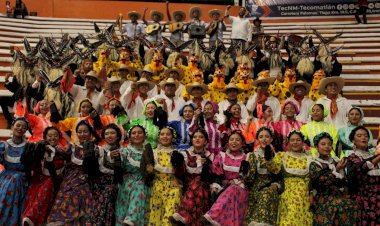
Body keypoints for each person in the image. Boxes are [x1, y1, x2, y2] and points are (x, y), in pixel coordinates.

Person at [47, 120, 97, 224]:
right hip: (71, 177)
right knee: (67, 194)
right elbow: (61, 154)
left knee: (85, 194)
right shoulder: (72, 147)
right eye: (79, 132)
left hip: (89, 178)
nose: (82, 134)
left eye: (85, 131)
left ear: (90, 133)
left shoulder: (97, 149)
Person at [309, 132, 360, 226]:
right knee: (341, 205)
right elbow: (322, 182)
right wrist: (336, 169)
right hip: (323, 196)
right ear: (317, 147)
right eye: (323, 144)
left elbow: (343, 182)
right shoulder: (314, 163)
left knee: (353, 204)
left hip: (338, 195)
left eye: (329, 144)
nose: (327, 147)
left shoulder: (336, 160)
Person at [265, 130, 313, 225]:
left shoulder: (309, 158)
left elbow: (310, 178)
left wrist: (310, 193)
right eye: (292, 140)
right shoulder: (283, 156)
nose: (295, 142)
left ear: (303, 142)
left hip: (303, 190)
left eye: (298, 140)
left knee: (299, 199)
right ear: (288, 142)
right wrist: (269, 158)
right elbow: (274, 168)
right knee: (291, 204)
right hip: (286, 188)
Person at [22, 127, 67, 225]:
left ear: (59, 137)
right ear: (45, 137)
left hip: (57, 182)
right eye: (50, 136)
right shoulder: (40, 148)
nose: (53, 138)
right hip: (40, 180)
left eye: (55, 135)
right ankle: (30, 218)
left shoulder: (63, 150)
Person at [203, 130, 250, 226]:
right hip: (224, 187)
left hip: (241, 189)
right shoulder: (222, 156)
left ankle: (212, 216)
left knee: (234, 188)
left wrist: (236, 181)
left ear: (242, 143)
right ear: (228, 142)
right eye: (231, 139)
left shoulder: (246, 158)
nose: (234, 142)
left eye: (237, 140)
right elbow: (217, 174)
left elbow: (247, 177)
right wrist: (218, 184)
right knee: (230, 190)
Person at [170, 128, 214, 225]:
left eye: (201, 137)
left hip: (204, 186)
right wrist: (178, 163)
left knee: (199, 181)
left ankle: (183, 215)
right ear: (192, 140)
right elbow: (180, 174)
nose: (197, 139)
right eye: (195, 137)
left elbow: (213, 176)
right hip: (187, 185)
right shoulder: (185, 153)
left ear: (206, 141)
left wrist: (206, 166)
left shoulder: (211, 156)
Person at [143, 126, 183, 225]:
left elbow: (181, 171)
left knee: (170, 213)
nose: (165, 136)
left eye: (168, 134)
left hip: (173, 186)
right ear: (159, 136)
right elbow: (147, 171)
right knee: (156, 214)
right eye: (162, 134)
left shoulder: (177, 153)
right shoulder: (153, 152)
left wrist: (177, 178)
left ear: (173, 137)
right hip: (157, 186)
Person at [245, 126, 283, 226]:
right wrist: (245, 171)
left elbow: (280, 176)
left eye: (267, 136)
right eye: (261, 137)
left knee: (269, 194)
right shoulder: (253, 155)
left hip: (272, 188)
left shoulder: (277, 156)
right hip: (257, 187)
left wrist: (276, 185)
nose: (264, 139)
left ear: (271, 139)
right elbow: (250, 179)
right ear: (257, 139)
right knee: (264, 194)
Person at [86, 124, 122, 225]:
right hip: (101, 183)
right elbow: (94, 166)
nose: (109, 136)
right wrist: (109, 155)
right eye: (106, 134)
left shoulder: (124, 150)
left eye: (112, 133)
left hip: (118, 182)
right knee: (108, 193)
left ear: (118, 136)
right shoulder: (98, 149)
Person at [115, 125, 150, 225]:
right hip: (127, 183)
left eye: (139, 133)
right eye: (134, 133)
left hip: (143, 182)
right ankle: (129, 219)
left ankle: (132, 218)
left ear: (144, 135)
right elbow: (118, 165)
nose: (137, 135)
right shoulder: (124, 151)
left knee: (140, 187)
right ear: (129, 137)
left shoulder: (149, 152)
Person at [346, 126, 380, 225]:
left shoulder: (373, 155)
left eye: (366, 136)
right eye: (359, 136)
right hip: (363, 198)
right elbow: (362, 168)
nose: (363, 138)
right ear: (353, 140)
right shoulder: (352, 157)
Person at [0, 117, 30, 225]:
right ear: (13, 127)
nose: (20, 128)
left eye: (23, 127)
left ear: (26, 130)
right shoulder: (4, 145)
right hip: (5, 177)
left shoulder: (28, 146)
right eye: (18, 125)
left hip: (20, 179)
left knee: (15, 179)